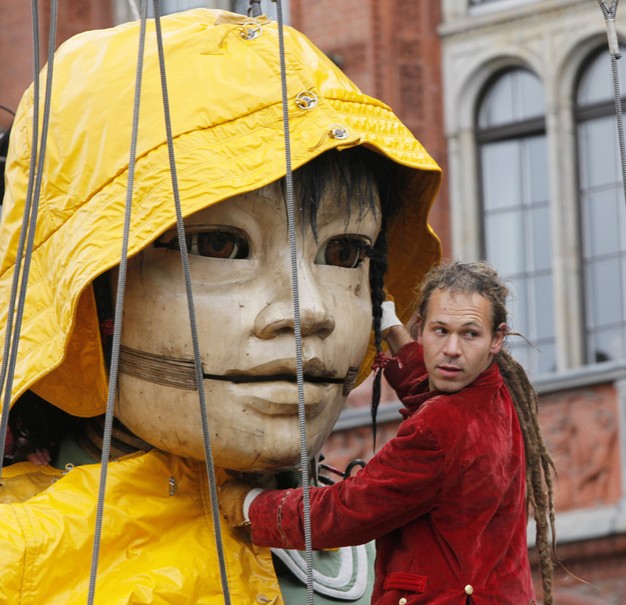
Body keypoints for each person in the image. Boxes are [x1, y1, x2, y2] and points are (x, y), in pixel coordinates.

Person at [0, 8, 440, 604]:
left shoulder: (421, 551)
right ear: (85, 292)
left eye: (344, 252)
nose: (309, 310)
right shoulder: (20, 561)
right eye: (219, 245)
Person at [221, 261, 557, 605]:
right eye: (440, 331)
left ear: (496, 339)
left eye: (469, 334)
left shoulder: (440, 427)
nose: (452, 349)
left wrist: (250, 505)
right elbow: (432, 391)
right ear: (421, 329)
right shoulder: (497, 392)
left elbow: (345, 512)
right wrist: (393, 332)